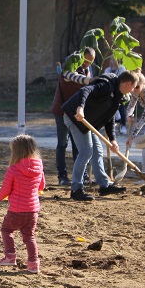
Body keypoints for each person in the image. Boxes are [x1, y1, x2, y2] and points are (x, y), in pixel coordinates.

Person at [62, 70, 139, 201]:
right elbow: (84, 91)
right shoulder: (106, 84)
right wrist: (80, 108)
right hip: (75, 117)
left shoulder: (118, 94)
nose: (132, 90)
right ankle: (76, 189)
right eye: (132, 87)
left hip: (87, 123)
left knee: (97, 150)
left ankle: (104, 186)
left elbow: (109, 117)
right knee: (86, 151)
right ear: (128, 83)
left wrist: (113, 140)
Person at [0, 135, 45, 274]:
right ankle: (33, 263)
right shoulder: (39, 167)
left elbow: (5, 189)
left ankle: (10, 256)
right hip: (33, 210)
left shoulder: (13, 169)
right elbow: (42, 186)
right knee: (29, 236)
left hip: (17, 210)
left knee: (6, 230)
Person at [50, 47, 95, 186]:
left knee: (78, 145)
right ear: (82, 57)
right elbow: (79, 79)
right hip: (62, 111)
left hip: (76, 112)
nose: (88, 64)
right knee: (63, 143)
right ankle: (62, 176)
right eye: (87, 60)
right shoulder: (68, 69)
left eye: (91, 61)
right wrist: (94, 81)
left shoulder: (87, 70)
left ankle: (83, 175)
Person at [126, 70, 145, 184]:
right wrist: (128, 115)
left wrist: (132, 136)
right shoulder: (135, 93)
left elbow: (144, 117)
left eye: (137, 87)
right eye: (133, 87)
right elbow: (131, 106)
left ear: (144, 84)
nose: (134, 90)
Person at [104, 58, 128, 135]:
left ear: (119, 61)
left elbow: (122, 80)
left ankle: (123, 125)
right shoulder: (107, 70)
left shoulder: (122, 69)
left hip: (120, 91)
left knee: (121, 107)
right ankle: (113, 122)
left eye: (114, 60)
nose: (112, 61)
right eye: (112, 60)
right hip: (110, 92)